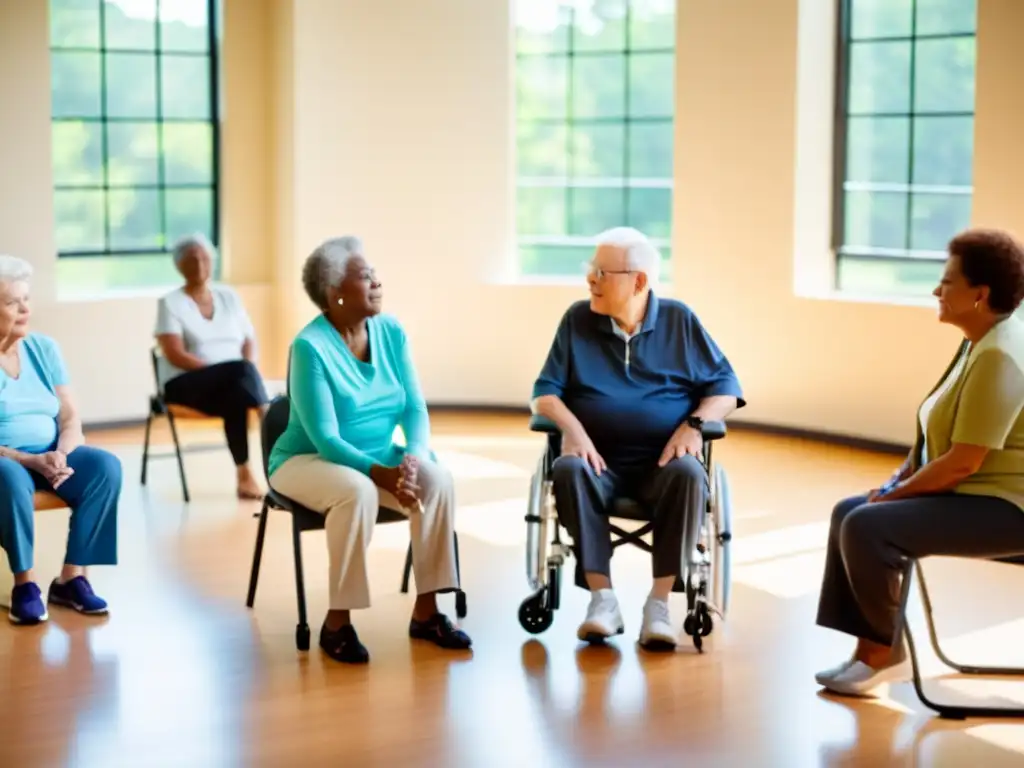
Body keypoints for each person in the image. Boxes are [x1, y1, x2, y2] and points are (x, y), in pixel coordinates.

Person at [815, 228, 1024, 698]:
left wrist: (892, 496)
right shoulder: (979, 339)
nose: (936, 290)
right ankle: (871, 649)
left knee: (869, 526)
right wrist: (897, 479)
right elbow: (938, 427)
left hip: (1010, 508)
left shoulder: (1001, 355)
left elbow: (961, 464)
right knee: (849, 511)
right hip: (978, 494)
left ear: (980, 294)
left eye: (947, 281)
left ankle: (881, 658)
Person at [531, 227, 745, 650]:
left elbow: (726, 387)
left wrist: (695, 425)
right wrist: (573, 431)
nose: (589, 280)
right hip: (597, 465)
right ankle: (602, 600)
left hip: (661, 466)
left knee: (689, 472)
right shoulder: (578, 320)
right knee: (567, 467)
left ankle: (659, 606)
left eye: (600, 273)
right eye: (589, 271)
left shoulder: (679, 321)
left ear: (639, 281)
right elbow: (545, 394)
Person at [267, 236, 470, 664]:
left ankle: (427, 612)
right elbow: (326, 439)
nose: (378, 282)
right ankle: (336, 622)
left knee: (437, 479)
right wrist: (383, 474)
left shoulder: (391, 331)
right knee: (355, 491)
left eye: (375, 273)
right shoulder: (309, 348)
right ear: (335, 293)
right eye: (366, 276)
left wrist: (412, 458)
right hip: (307, 461)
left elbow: (414, 407)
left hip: (377, 455)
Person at [0, 255, 121, 625]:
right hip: (8, 462)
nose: (24, 308)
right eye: (11, 302)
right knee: (8, 476)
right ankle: (25, 584)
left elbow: (69, 413)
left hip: (51, 454)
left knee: (105, 467)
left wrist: (62, 453)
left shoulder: (44, 348)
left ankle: (71, 578)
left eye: (26, 298)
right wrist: (29, 460)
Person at [154, 234, 268, 500]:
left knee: (236, 395)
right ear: (179, 266)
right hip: (186, 384)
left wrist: (241, 369)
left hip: (229, 383)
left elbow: (249, 338)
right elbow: (174, 353)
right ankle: (267, 411)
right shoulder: (169, 302)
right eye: (192, 259)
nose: (200, 264)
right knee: (238, 374)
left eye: (205, 257)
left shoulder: (229, 295)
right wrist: (224, 370)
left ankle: (244, 476)